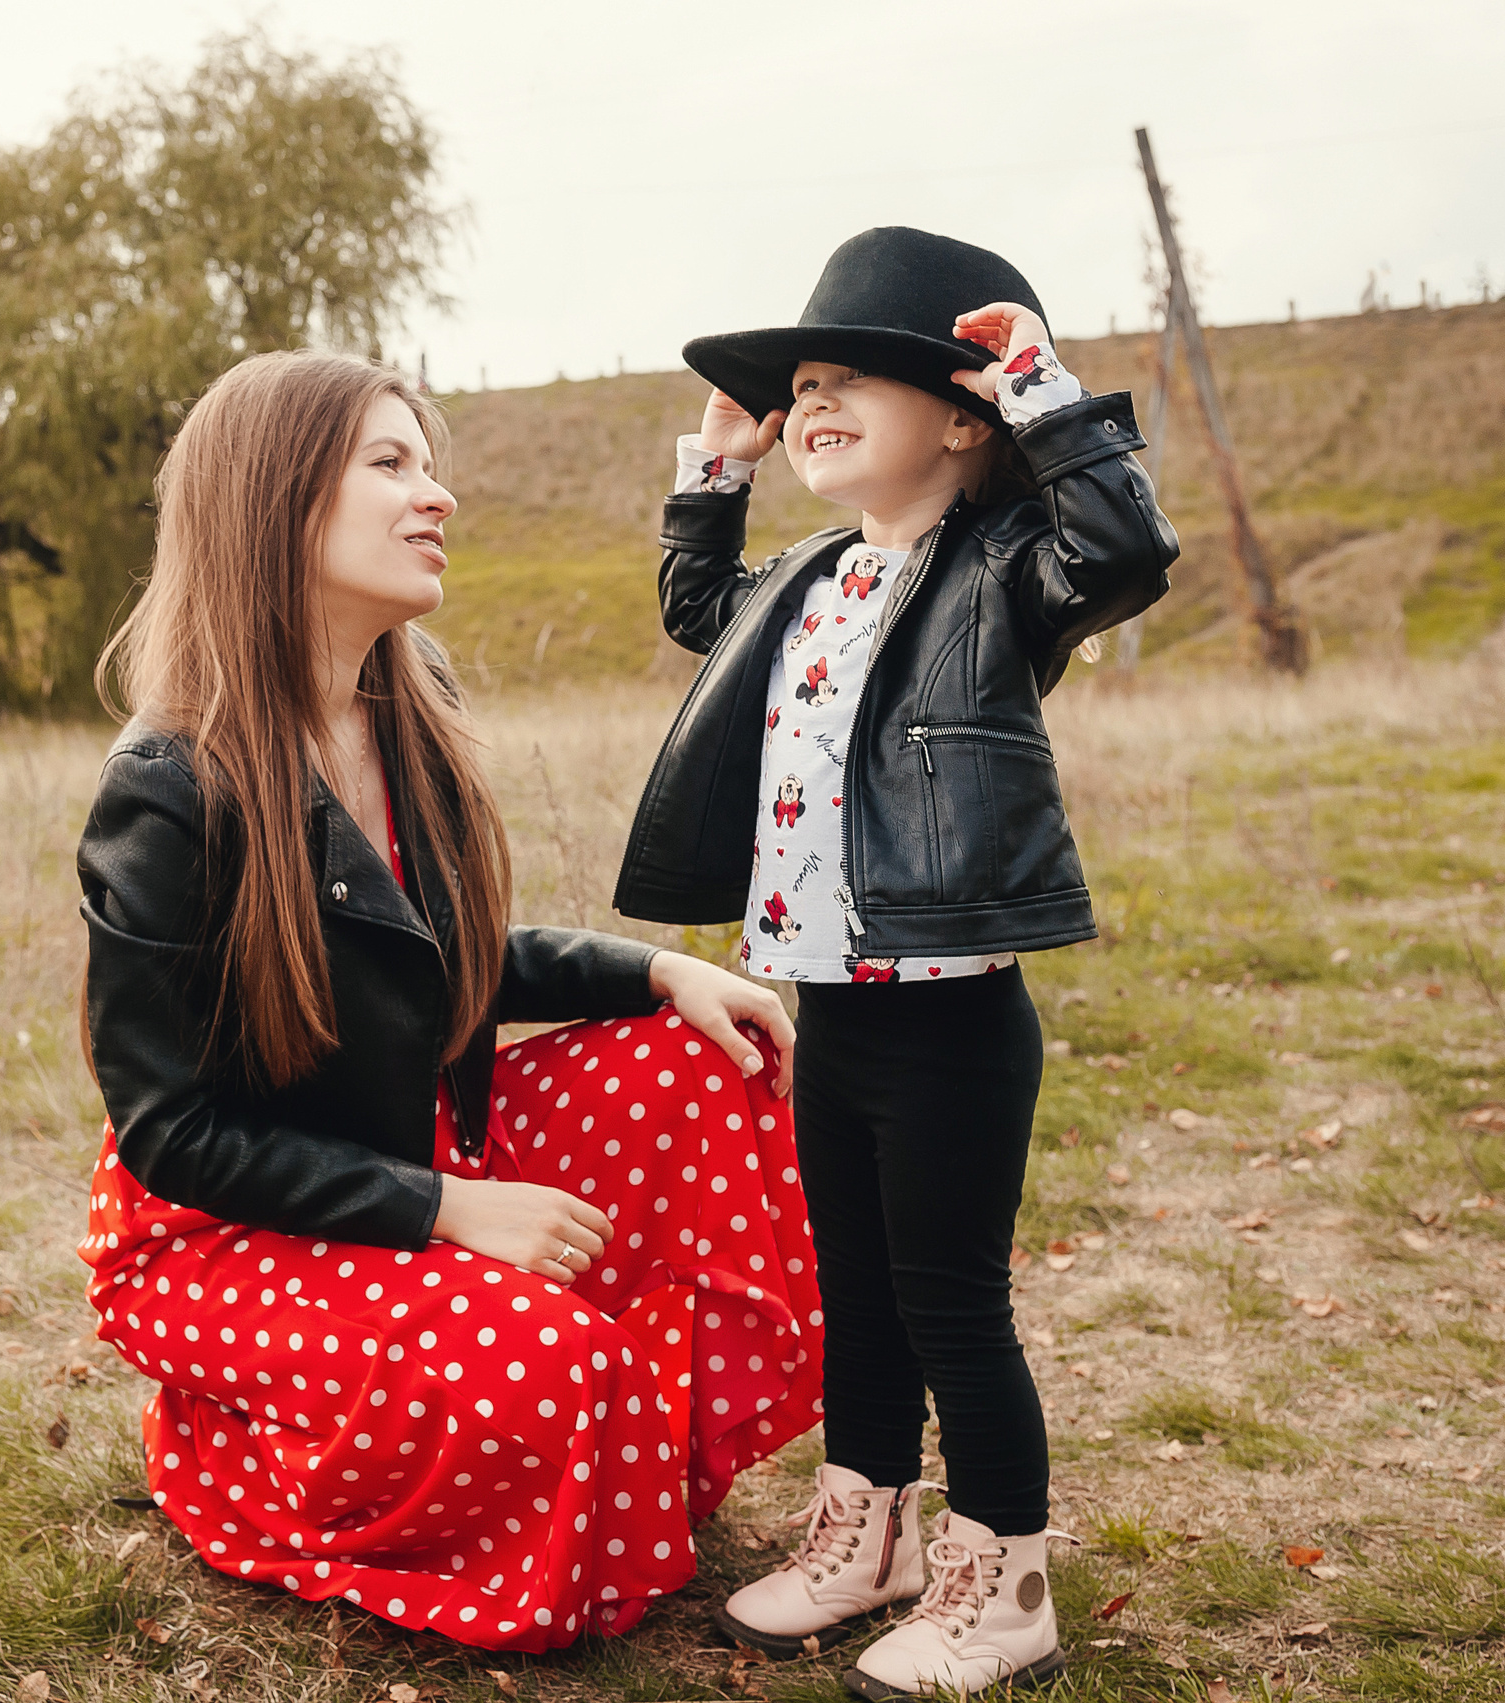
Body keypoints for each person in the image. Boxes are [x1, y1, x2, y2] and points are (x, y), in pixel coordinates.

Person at [76, 349, 817, 1654]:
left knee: (708, 1063)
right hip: (214, 1233)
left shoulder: (410, 704)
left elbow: (438, 952)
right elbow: (172, 1140)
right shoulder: (170, 790)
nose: (440, 498)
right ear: (277, 500)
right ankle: (242, 1442)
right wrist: (448, 1211)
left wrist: (658, 969)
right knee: (551, 1354)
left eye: (430, 462)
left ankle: (628, 1474)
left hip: (410, 1144)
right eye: (391, 464)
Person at [610, 227, 1179, 1698]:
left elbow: (1121, 550)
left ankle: (1010, 1586)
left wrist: (1053, 400)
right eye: (803, 383)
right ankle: (871, 1537)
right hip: (833, 1011)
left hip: (950, 1020)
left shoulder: (1001, 577)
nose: (814, 401)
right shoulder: (805, 576)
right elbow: (694, 611)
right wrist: (716, 467)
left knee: (949, 1300)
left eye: (854, 378)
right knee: (853, 1292)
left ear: (961, 421)